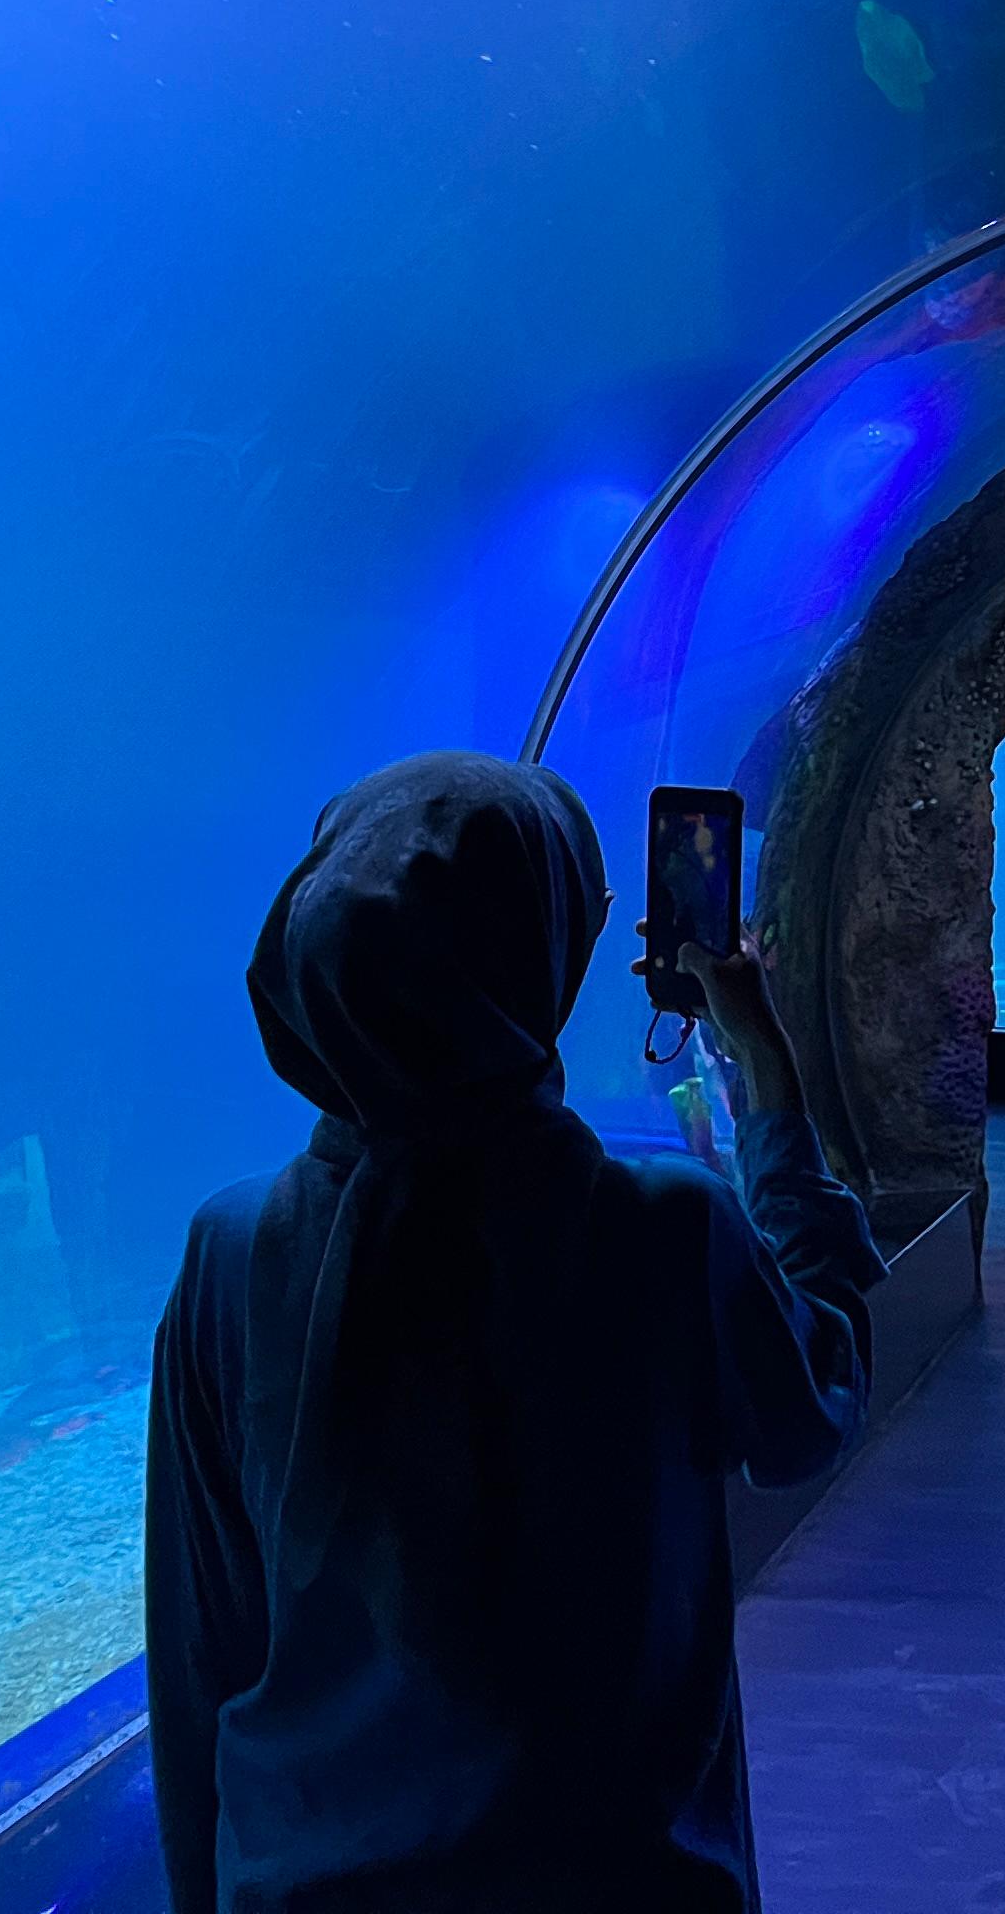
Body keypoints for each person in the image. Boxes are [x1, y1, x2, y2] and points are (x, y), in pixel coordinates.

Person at [143, 751, 884, 1914]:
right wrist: (771, 1081)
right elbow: (812, 1412)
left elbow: (201, 1650)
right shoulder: (666, 1229)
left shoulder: (230, 1254)